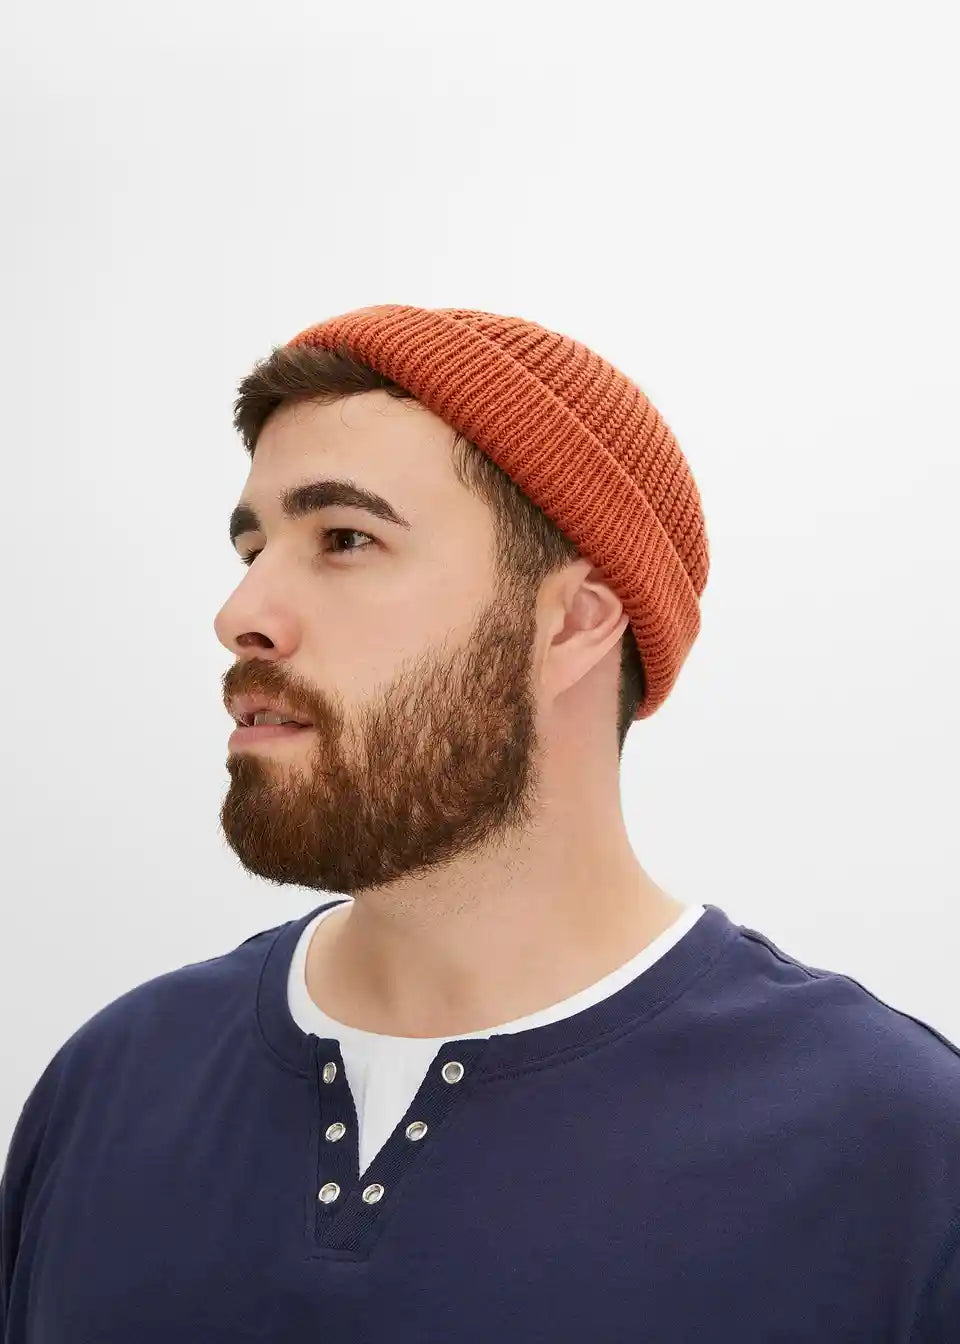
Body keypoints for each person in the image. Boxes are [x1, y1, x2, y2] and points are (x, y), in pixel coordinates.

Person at [1, 305, 957, 1341]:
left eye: (345, 539)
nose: (241, 616)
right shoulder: (114, 1083)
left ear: (575, 622)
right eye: (253, 546)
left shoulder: (894, 1146)